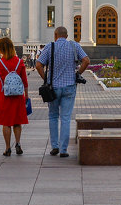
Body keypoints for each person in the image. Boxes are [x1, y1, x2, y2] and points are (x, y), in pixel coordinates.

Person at [34, 26, 89, 159]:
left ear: (55, 35)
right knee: (65, 118)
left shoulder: (50, 47)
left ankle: (55, 146)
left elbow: (38, 64)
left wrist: (46, 79)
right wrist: (78, 74)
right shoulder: (74, 46)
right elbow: (86, 60)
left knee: (53, 116)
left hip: (53, 88)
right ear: (67, 35)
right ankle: (64, 150)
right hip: (69, 86)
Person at [0, 36, 29, 157]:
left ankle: (7, 148)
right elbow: (24, 80)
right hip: (18, 95)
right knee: (17, 121)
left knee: (6, 122)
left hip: (4, 95)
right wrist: (26, 95)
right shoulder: (20, 62)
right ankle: (18, 143)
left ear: (0, 49)